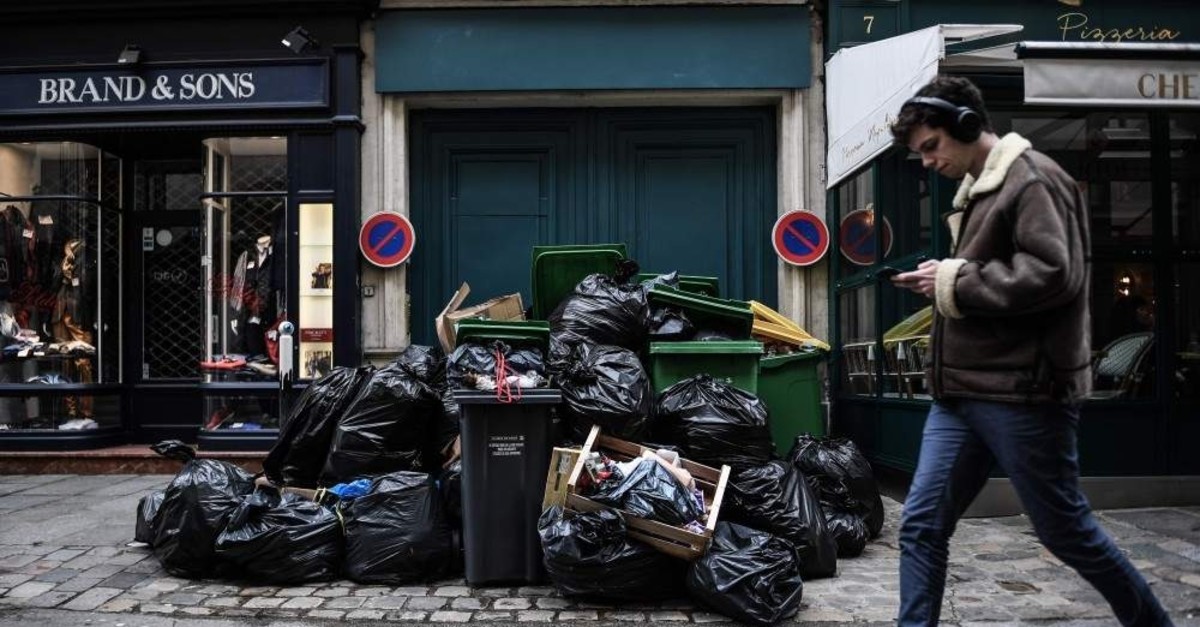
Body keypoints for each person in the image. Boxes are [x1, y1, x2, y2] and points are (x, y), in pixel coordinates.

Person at [888, 76, 1172, 626]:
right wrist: (945, 279)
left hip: (1023, 392)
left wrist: (954, 280)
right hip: (961, 393)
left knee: (1064, 530)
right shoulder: (981, 189)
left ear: (968, 126)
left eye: (931, 146)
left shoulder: (1034, 179)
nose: (926, 161)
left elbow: (1053, 275)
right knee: (921, 525)